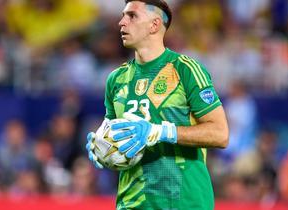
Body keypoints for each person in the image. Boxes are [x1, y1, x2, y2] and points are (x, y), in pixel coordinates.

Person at [86, 0, 229, 209]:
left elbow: (220, 134)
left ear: (154, 25)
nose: (121, 22)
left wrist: (161, 132)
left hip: (184, 203)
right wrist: (102, 145)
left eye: (132, 16)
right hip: (132, 204)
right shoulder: (116, 79)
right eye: (123, 15)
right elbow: (113, 132)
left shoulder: (185, 69)